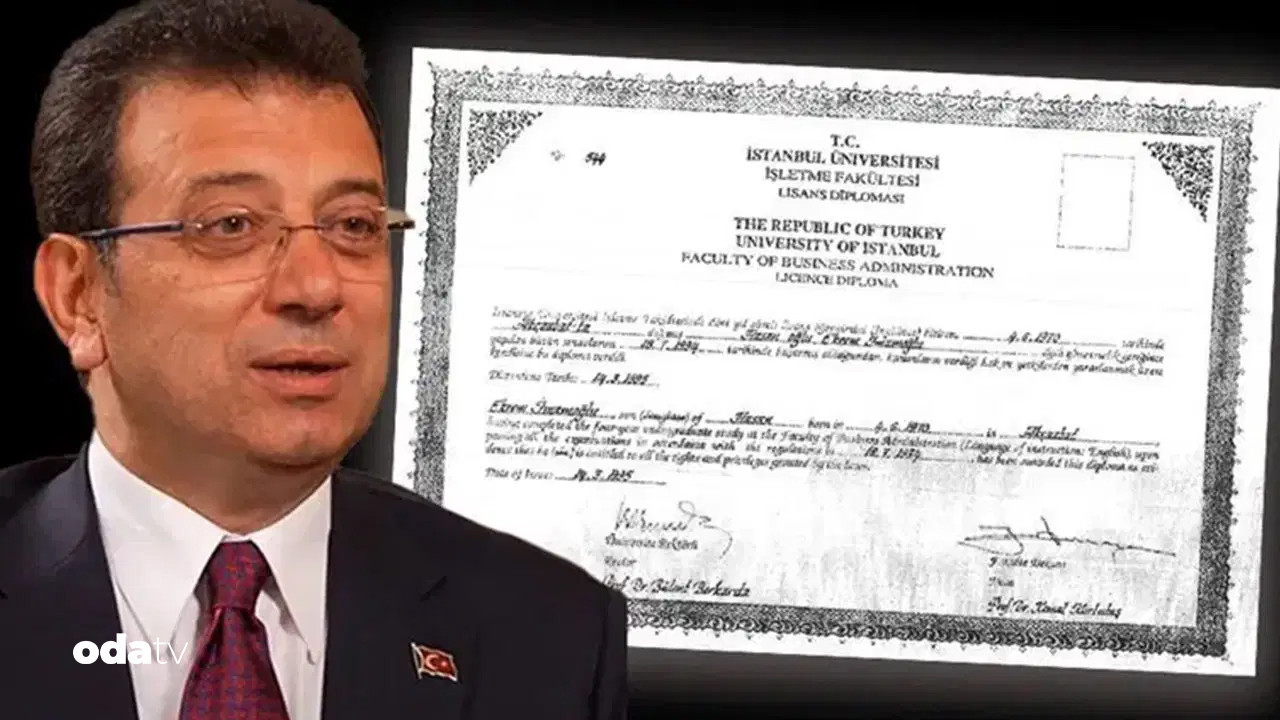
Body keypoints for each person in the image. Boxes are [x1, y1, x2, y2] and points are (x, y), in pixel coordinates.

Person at [0, 1, 628, 718]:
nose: (317, 287)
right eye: (231, 225)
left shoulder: (553, 637)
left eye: (353, 225)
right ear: (78, 297)